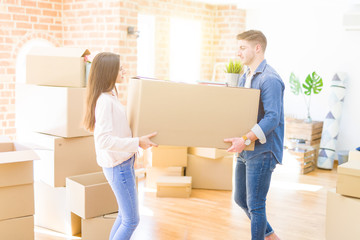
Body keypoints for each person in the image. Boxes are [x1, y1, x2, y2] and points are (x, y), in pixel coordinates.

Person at [83, 52, 158, 240]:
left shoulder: (110, 95)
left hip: (122, 164)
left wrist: (138, 141)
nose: (123, 70)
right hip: (119, 168)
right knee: (131, 220)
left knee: (125, 216)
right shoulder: (104, 102)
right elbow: (104, 140)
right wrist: (136, 142)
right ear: (109, 72)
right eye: (119, 68)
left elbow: (118, 131)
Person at [224, 30, 284, 240]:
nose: (238, 52)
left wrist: (246, 138)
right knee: (241, 199)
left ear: (257, 48)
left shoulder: (270, 79)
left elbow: (272, 118)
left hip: (262, 149)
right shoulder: (245, 76)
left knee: (256, 205)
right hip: (246, 148)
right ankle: (271, 235)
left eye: (242, 47)